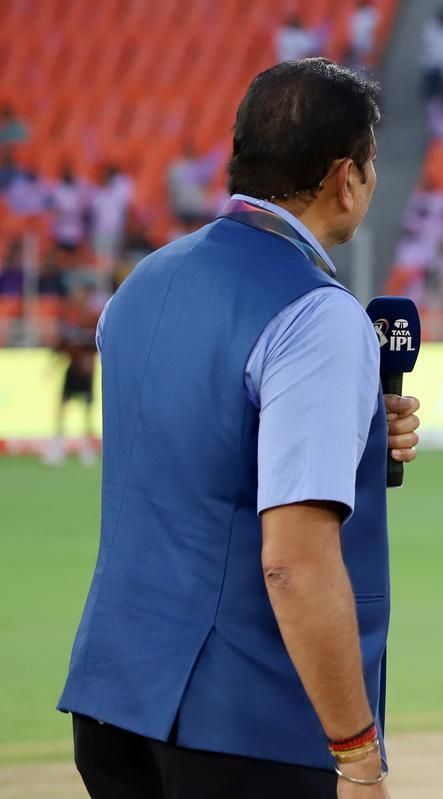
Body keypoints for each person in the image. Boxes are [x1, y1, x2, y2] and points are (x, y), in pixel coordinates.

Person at [59, 58, 422, 799]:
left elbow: (193, 446)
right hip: (247, 722)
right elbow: (293, 561)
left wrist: (348, 427)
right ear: (344, 176)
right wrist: (357, 754)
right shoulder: (318, 315)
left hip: (112, 701)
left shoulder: (141, 284)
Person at [44, 277, 100, 467]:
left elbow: (97, 342)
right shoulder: (69, 317)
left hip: (86, 369)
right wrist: (53, 362)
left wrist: (91, 361)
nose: (79, 296)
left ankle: (87, 447)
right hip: (72, 367)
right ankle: (57, 445)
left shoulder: (93, 318)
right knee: (63, 405)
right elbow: (62, 343)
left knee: (87, 409)